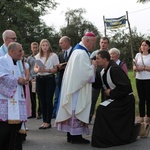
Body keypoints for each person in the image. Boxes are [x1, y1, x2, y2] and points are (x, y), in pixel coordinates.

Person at [91, 50, 140, 148]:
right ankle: (106, 136)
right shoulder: (103, 71)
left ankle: (109, 137)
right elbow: (97, 85)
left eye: (97, 59)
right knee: (101, 109)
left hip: (125, 101)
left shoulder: (115, 69)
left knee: (102, 109)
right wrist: (93, 71)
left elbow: (125, 87)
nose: (96, 61)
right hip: (118, 98)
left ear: (105, 59)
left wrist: (111, 92)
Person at [55, 32, 97, 144]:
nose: (94, 46)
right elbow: (85, 74)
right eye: (93, 43)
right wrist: (93, 65)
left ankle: (71, 135)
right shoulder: (81, 53)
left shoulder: (77, 51)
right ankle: (76, 136)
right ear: (87, 41)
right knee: (77, 108)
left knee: (73, 109)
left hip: (74, 86)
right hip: (77, 89)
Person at [0, 42, 27, 150]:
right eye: (20, 50)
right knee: (5, 131)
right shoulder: (2, 61)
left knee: (15, 132)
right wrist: (17, 80)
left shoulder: (17, 63)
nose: (22, 53)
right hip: (5, 103)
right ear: (12, 51)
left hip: (16, 101)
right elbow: (1, 77)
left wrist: (23, 80)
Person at [34, 39, 59, 129]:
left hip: (49, 78)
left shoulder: (53, 56)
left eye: (46, 45)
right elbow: (35, 68)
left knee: (48, 100)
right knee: (42, 100)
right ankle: (44, 121)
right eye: (43, 45)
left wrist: (47, 70)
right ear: (41, 46)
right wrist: (38, 70)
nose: (45, 47)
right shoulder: (37, 56)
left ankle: (48, 121)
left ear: (49, 46)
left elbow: (56, 69)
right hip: (40, 78)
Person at [89, 37, 109, 123]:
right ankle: (88, 118)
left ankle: (103, 119)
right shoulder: (94, 53)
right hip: (96, 80)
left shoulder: (110, 53)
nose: (103, 44)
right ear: (99, 43)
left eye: (105, 42)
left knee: (105, 100)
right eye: (102, 42)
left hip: (106, 80)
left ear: (108, 44)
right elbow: (89, 63)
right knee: (92, 99)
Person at [52, 36, 73, 118]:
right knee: (58, 97)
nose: (60, 45)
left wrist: (64, 65)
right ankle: (56, 113)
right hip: (61, 78)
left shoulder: (74, 52)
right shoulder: (60, 54)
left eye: (61, 43)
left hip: (71, 78)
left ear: (67, 42)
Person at [133, 40, 150, 124]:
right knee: (141, 99)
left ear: (149, 47)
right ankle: (142, 116)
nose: (143, 47)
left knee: (149, 99)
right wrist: (135, 68)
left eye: (145, 45)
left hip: (148, 79)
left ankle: (148, 117)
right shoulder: (138, 55)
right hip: (139, 79)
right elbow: (134, 66)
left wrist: (143, 68)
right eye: (142, 45)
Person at [26, 42, 42, 119]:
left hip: (39, 78)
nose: (35, 49)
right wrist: (30, 79)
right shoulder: (29, 59)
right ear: (31, 48)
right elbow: (27, 69)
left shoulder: (40, 57)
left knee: (40, 97)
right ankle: (33, 113)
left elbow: (41, 68)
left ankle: (39, 113)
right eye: (33, 47)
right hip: (32, 80)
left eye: (36, 47)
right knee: (33, 97)